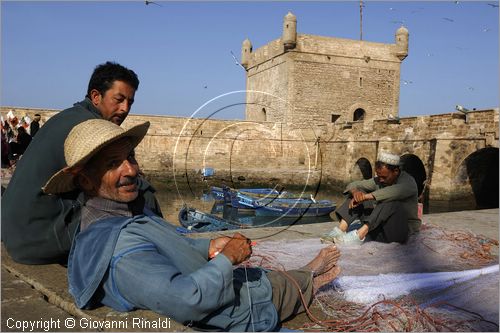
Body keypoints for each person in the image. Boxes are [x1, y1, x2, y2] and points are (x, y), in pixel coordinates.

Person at [42, 119, 342, 331]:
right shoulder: (121, 246)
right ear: (84, 180)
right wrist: (229, 258)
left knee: (263, 276)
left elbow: (162, 247)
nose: (131, 170)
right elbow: (187, 300)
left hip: (210, 281)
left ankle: (306, 275)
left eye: (130, 157)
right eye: (112, 163)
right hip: (231, 311)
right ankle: (311, 278)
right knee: (274, 286)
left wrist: (206, 246)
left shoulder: (122, 214)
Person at [1, 61, 163, 265]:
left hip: (16, 233)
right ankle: (162, 258)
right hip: (37, 238)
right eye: (119, 100)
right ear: (96, 96)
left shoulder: (67, 116)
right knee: (141, 195)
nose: (125, 109)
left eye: (130, 102)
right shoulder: (89, 129)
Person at [322, 151, 421, 245]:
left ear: (395, 171)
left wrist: (365, 197)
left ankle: (359, 235)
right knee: (359, 193)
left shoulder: (409, 183)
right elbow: (353, 185)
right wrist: (356, 192)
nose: (381, 180)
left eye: (384, 177)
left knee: (390, 202)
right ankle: (340, 230)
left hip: (400, 231)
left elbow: (392, 192)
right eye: (379, 176)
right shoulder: (380, 180)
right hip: (380, 229)